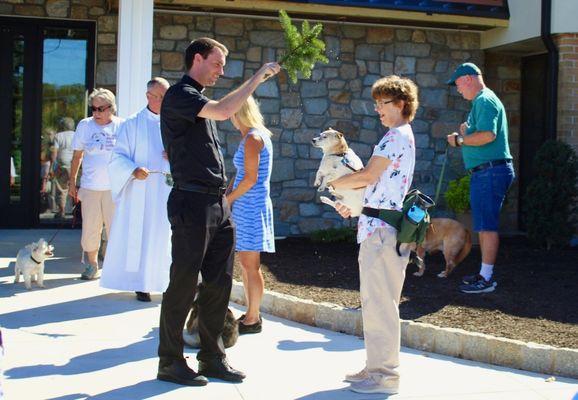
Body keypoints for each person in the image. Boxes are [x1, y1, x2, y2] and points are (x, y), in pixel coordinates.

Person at [157, 37, 280, 387]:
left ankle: (212, 357)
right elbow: (226, 110)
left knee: (218, 284)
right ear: (198, 58)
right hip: (191, 204)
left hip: (216, 205)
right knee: (182, 283)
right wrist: (257, 77)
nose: (221, 71)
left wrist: (225, 200)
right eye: (217, 63)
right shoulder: (181, 95)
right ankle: (170, 361)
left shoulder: (197, 100)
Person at [328, 75, 418, 395]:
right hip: (377, 227)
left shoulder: (394, 137)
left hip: (381, 234)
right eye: (377, 103)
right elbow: (380, 189)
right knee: (376, 302)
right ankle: (376, 367)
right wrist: (355, 209)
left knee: (380, 304)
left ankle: (384, 376)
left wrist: (336, 184)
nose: (378, 109)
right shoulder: (397, 137)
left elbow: (367, 176)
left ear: (401, 104)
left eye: (384, 103)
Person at [100, 77, 172, 303]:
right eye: (160, 97)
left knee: (163, 235)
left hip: (166, 191)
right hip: (139, 190)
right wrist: (132, 170)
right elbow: (117, 157)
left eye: (166, 97)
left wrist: (176, 156)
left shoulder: (176, 122)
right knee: (141, 235)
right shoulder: (131, 124)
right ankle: (141, 284)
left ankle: (165, 281)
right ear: (149, 96)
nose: (163, 101)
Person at [446, 62, 515, 294]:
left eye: (457, 84)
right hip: (488, 171)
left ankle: (486, 279)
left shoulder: (485, 100)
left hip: (490, 172)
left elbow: (488, 135)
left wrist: (461, 140)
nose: (457, 89)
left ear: (468, 78)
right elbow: (481, 134)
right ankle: (484, 274)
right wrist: (466, 134)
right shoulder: (481, 101)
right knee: (484, 226)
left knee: (486, 227)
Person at [226, 96, 275, 335]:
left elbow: (250, 179)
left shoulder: (253, 138)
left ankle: (253, 318)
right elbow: (241, 173)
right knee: (246, 265)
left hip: (251, 207)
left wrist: (228, 199)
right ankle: (250, 313)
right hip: (247, 206)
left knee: (250, 265)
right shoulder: (250, 137)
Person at [69, 88, 124, 280]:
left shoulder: (122, 126)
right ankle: (92, 265)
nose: (96, 113)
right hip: (90, 187)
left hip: (115, 187)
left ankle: (114, 267)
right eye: (93, 109)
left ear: (112, 108)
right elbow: (77, 156)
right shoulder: (84, 125)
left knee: (115, 229)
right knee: (91, 229)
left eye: (101, 108)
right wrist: (72, 183)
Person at [51, 117, 76, 219]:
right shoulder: (77, 135)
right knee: (76, 187)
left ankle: (61, 211)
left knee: (62, 188)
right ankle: (76, 211)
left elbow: (54, 153)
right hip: (74, 164)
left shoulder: (58, 136)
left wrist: (53, 166)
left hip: (62, 164)